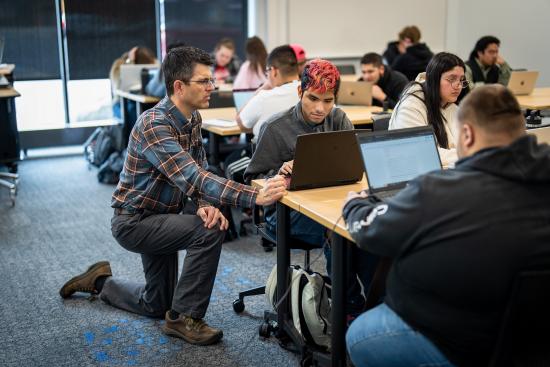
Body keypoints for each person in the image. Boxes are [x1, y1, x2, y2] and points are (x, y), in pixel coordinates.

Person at [59, 46, 286, 346]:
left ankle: (100, 281)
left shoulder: (191, 119)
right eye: (204, 81)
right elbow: (194, 177)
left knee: (156, 304)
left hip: (164, 216)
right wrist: (252, 196)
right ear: (179, 86)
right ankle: (185, 319)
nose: (212, 87)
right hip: (135, 222)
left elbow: (199, 168)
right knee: (209, 231)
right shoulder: (154, 125)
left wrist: (204, 205)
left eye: (211, 80)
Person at [343, 84, 550, 367]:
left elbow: (369, 230)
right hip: (535, 335)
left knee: (359, 335)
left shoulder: (439, 190)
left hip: (462, 341)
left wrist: (354, 204)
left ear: (467, 134)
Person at [244, 59, 377, 316]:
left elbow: (352, 168)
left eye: (328, 101)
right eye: (313, 98)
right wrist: (279, 172)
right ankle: (350, 307)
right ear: (299, 92)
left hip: (329, 202)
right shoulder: (275, 127)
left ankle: (377, 305)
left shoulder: (338, 119)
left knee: (366, 226)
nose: (320, 108)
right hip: (283, 212)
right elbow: (252, 179)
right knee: (338, 231)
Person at [388, 52, 468, 167]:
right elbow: (424, 153)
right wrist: (469, 154)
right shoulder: (411, 106)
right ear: (434, 79)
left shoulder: (451, 105)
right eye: (451, 79)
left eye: (461, 80)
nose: (458, 85)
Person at [236, 45, 300, 139]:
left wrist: (262, 88)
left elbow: (241, 124)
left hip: (267, 153)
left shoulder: (264, 97)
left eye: (267, 71)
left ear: (274, 71)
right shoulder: (310, 92)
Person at [110, 46, 157, 119]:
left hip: (140, 102)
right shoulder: (119, 65)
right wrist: (130, 62)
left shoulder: (150, 63)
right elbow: (120, 86)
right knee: (134, 111)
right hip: (120, 103)